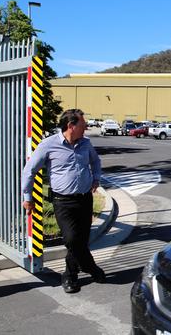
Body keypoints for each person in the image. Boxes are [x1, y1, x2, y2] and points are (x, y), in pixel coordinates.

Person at [21, 109, 104, 293]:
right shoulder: (48, 144)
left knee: (82, 239)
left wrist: (96, 177)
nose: (86, 128)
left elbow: (96, 162)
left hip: (85, 199)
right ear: (71, 126)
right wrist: (27, 198)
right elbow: (29, 171)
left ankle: (72, 273)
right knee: (72, 239)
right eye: (83, 125)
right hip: (63, 202)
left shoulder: (86, 143)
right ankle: (87, 267)